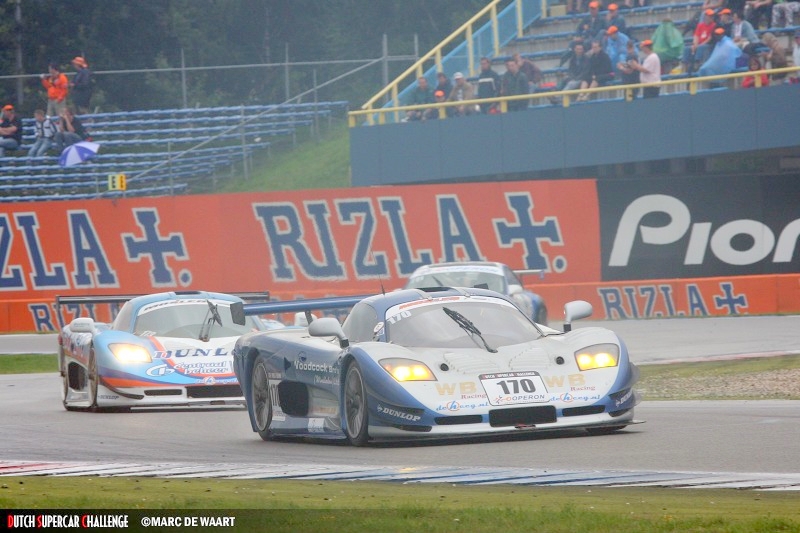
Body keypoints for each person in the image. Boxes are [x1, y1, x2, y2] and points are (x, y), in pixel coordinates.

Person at [682, 9, 717, 73]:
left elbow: (710, 38)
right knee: (687, 48)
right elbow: (696, 36)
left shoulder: (714, 25)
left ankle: (697, 65)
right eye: (709, 16)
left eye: (712, 16)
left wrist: (700, 45)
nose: (711, 18)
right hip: (699, 44)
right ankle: (684, 67)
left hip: (708, 45)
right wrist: (695, 44)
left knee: (701, 47)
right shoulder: (700, 25)